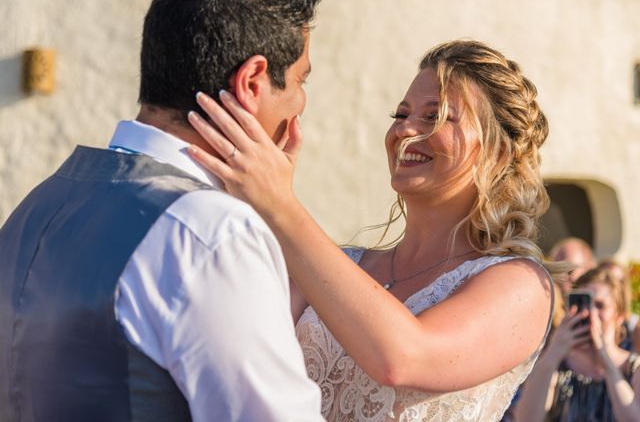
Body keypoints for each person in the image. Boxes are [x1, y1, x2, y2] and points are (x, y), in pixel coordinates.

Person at [0, 0, 324, 421]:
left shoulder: (38, 205)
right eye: (300, 81)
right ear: (253, 82)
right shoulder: (212, 233)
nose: (299, 105)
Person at [187, 39, 556, 421]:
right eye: (400, 114)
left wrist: (281, 205)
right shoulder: (342, 264)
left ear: (498, 152)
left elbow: (403, 358)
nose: (405, 130)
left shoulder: (520, 285)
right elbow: (237, 349)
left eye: (436, 116)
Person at [513, 265, 640, 421]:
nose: (590, 313)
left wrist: (606, 361)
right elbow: (525, 419)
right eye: (584, 304)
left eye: (600, 305)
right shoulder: (558, 366)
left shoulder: (634, 368)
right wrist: (552, 353)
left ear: (619, 315)